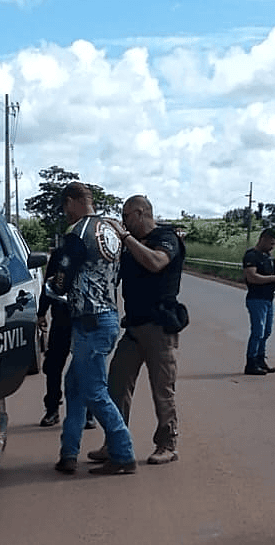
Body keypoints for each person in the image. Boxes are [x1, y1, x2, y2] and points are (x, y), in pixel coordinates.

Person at [88, 195, 185, 465]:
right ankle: (115, 443)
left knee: (162, 390)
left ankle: (168, 444)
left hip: (160, 327)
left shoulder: (167, 238)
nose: (124, 221)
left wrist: (126, 239)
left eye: (127, 215)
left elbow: (156, 262)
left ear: (141, 213)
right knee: (116, 385)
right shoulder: (129, 247)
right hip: (134, 327)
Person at [49, 181, 136, 475]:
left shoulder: (77, 234)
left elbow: (63, 275)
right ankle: (69, 453)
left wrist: (54, 289)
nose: (66, 214)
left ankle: (123, 452)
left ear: (72, 201)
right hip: (108, 314)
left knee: (95, 391)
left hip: (89, 320)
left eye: (65, 207)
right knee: (74, 386)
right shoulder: (110, 230)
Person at [37, 249, 97, 429]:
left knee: (86, 365)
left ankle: (89, 413)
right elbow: (49, 284)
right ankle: (52, 409)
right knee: (54, 365)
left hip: (87, 317)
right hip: (62, 316)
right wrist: (42, 313)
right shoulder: (61, 254)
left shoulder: (95, 251)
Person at [242, 228, 275, 375]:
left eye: (274, 244)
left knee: (266, 331)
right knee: (258, 331)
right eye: (271, 243)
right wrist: (274, 278)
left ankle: (260, 359)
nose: (272, 246)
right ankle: (251, 363)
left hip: (269, 298)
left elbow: (274, 275)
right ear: (263, 239)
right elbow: (252, 277)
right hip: (256, 298)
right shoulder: (251, 256)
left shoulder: (270, 258)